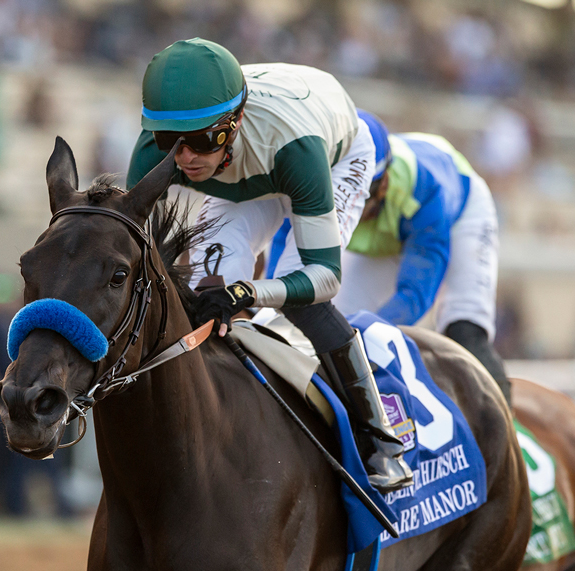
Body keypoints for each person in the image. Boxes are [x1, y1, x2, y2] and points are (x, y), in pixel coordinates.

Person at [127, 38, 412, 493]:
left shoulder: (296, 147)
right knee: (203, 300)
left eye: (202, 139)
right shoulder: (158, 145)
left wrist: (248, 293)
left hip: (328, 158)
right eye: (171, 142)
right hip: (244, 173)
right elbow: (132, 249)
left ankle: (381, 440)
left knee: (302, 303)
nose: (184, 158)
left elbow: (325, 278)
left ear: (235, 121)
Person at [330, 110, 510, 404]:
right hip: (394, 218)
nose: (350, 205)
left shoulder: (430, 194)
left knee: (464, 333)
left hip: (458, 212)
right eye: (342, 192)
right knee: (336, 319)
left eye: (360, 196)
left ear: (383, 184)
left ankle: (505, 424)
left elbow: (415, 295)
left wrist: (361, 335)